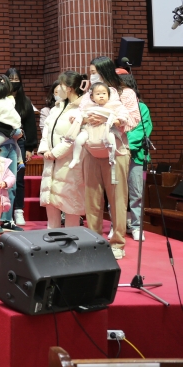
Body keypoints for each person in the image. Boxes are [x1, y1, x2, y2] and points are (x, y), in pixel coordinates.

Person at [81, 57, 139, 259]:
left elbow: (134, 119)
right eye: (90, 72)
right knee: (92, 199)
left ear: (105, 71)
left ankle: (117, 243)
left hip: (117, 152)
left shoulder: (125, 93)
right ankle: (94, 242)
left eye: (94, 72)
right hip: (91, 150)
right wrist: (87, 118)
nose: (92, 76)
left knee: (117, 199)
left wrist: (109, 119)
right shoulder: (89, 95)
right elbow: (79, 115)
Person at [38, 71, 87, 230]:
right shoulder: (56, 108)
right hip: (51, 161)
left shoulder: (82, 109)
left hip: (68, 162)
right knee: (50, 200)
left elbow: (73, 137)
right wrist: (45, 149)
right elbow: (46, 130)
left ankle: (71, 238)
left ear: (69, 88)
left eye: (61, 85)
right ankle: (52, 235)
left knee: (70, 202)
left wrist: (55, 153)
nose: (58, 88)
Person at [0, 77, 24, 232]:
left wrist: (15, 132)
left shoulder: (8, 101)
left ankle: (7, 220)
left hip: (11, 144)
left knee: (10, 185)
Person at [5, 67, 38, 227]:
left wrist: (30, 147)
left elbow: (30, 125)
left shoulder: (25, 101)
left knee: (18, 178)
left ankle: (18, 210)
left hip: (20, 143)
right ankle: (6, 212)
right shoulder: (0, 100)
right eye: (10, 79)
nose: (13, 82)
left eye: (16, 79)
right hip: (3, 143)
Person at [120, 74, 151, 241]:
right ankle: (117, 225)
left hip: (135, 155)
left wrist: (124, 144)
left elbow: (141, 131)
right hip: (116, 154)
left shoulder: (141, 107)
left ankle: (136, 226)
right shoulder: (113, 108)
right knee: (116, 193)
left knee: (136, 192)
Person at [68, 82, 126, 169]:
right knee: (79, 140)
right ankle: (76, 158)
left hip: (106, 129)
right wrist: (74, 117)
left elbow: (123, 114)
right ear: (92, 97)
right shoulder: (87, 105)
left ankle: (111, 157)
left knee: (111, 138)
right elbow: (79, 112)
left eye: (104, 93)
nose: (101, 96)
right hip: (89, 130)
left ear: (109, 95)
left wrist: (118, 120)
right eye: (98, 94)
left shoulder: (115, 105)